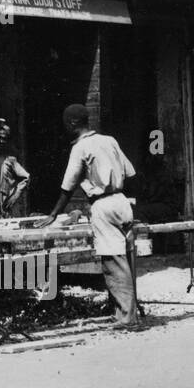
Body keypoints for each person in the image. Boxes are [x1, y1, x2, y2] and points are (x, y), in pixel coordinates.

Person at [36, 104, 140, 329]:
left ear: (73, 124)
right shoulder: (109, 140)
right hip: (122, 200)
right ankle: (129, 312)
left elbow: (68, 186)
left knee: (114, 262)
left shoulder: (80, 147)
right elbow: (131, 173)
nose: (65, 128)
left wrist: (54, 214)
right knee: (127, 258)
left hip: (103, 204)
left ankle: (127, 318)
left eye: (66, 124)